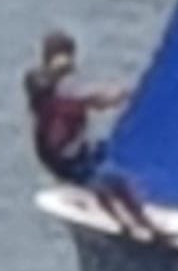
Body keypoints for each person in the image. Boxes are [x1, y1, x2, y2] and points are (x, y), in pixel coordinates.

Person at [23, 29, 128, 185]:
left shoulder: (69, 83)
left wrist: (124, 95)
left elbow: (99, 101)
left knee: (117, 152)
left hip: (79, 153)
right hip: (62, 161)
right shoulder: (39, 82)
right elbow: (46, 88)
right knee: (113, 177)